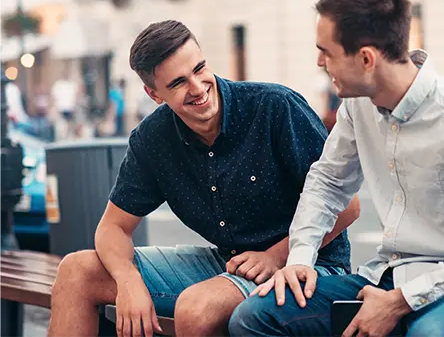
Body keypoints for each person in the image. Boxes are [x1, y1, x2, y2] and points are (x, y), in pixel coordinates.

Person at [228, 0, 444, 337]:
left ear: (366, 58)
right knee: (254, 315)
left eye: (327, 52)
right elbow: (328, 182)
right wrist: (300, 259)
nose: (320, 63)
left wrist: (401, 302)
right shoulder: (357, 107)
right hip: (384, 278)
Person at [48, 20, 360, 337]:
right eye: (179, 83)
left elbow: (347, 205)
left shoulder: (274, 107)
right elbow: (113, 227)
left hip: (308, 265)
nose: (198, 87)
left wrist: (275, 256)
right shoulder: (153, 138)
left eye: (200, 69)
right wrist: (127, 280)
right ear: (153, 94)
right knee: (76, 272)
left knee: (197, 308)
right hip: (228, 265)